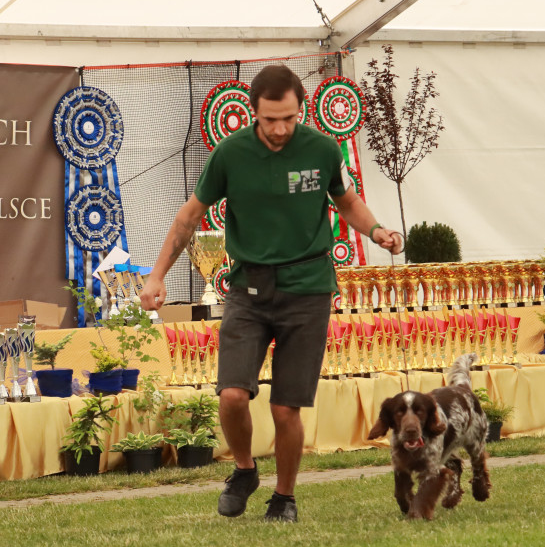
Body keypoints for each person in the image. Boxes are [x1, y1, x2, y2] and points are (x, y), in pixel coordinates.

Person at [140, 64, 402, 522]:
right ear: (252, 113)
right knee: (232, 396)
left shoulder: (322, 149)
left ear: (301, 108)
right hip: (249, 290)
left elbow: (347, 202)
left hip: (308, 291)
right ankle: (243, 470)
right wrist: (157, 275)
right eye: (269, 120)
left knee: (285, 408)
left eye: (288, 118)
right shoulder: (229, 155)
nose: (280, 129)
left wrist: (376, 230)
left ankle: (284, 498)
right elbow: (187, 218)